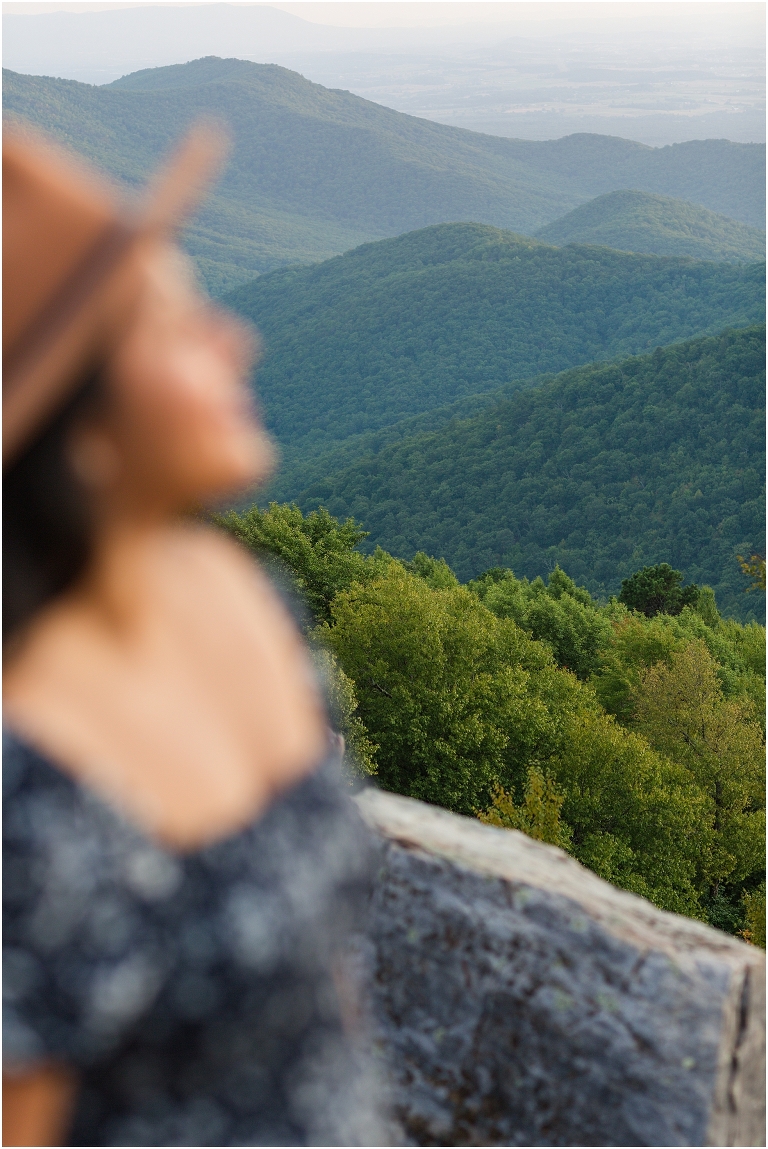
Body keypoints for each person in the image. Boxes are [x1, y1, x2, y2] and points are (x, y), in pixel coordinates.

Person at [3, 126, 389, 1147]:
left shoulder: (235, 591)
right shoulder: (22, 772)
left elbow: (323, 988)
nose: (237, 340)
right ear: (78, 432)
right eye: (177, 329)